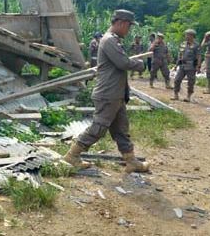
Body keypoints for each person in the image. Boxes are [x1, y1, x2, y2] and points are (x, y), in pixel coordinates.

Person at [63, 9, 149, 173]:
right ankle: (72, 155)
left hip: (115, 94)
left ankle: (131, 161)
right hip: (108, 94)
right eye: (128, 27)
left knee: (121, 129)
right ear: (121, 23)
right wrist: (139, 64)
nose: (128, 31)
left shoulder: (113, 40)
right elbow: (122, 63)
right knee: (99, 128)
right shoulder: (108, 40)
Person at [172, 29, 201, 102]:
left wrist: (198, 66)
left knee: (191, 82)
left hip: (191, 66)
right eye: (186, 35)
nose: (186, 36)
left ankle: (188, 96)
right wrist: (176, 65)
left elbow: (198, 56)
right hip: (182, 65)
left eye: (188, 35)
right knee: (177, 80)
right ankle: (176, 95)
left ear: (192, 36)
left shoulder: (196, 45)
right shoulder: (183, 44)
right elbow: (180, 55)